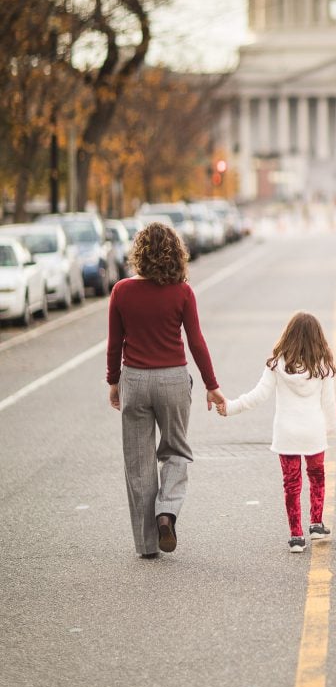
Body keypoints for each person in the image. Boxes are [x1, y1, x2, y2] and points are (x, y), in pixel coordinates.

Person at [106, 222, 226, 559]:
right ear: (176, 253)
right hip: (173, 379)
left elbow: (115, 344)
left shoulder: (121, 291)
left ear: (139, 254)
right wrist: (211, 385)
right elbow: (196, 342)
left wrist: (113, 382)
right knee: (175, 450)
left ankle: (146, 546)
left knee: (139, 463)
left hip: (135, 379)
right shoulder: (182, 292)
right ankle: (166, 512)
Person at [225, 312, 336, 553]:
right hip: (313, 433)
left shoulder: (277, 364)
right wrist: (330, 428)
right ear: (318, 338)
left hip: (286, 434)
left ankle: (296, 536)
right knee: (317, 477)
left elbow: (258, 395)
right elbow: (328, 404)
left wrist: (231, 407)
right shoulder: (323, 366)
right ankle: (316, 524)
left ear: (289, 336)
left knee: (291, 485)